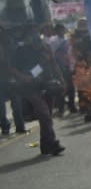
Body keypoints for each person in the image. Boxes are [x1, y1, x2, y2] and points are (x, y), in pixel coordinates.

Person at [1, 26, 65, 156]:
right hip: (29, 88)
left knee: (46, 117)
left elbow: (53, 64)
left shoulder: (45, 47)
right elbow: (10, 67)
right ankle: (52, 143)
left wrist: (62, 80)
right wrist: (23, 77)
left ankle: (45, 146)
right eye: (31, 33)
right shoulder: (20, 51)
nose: (34, 36)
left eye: (36, 33)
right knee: (44, 114)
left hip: (46, 84)